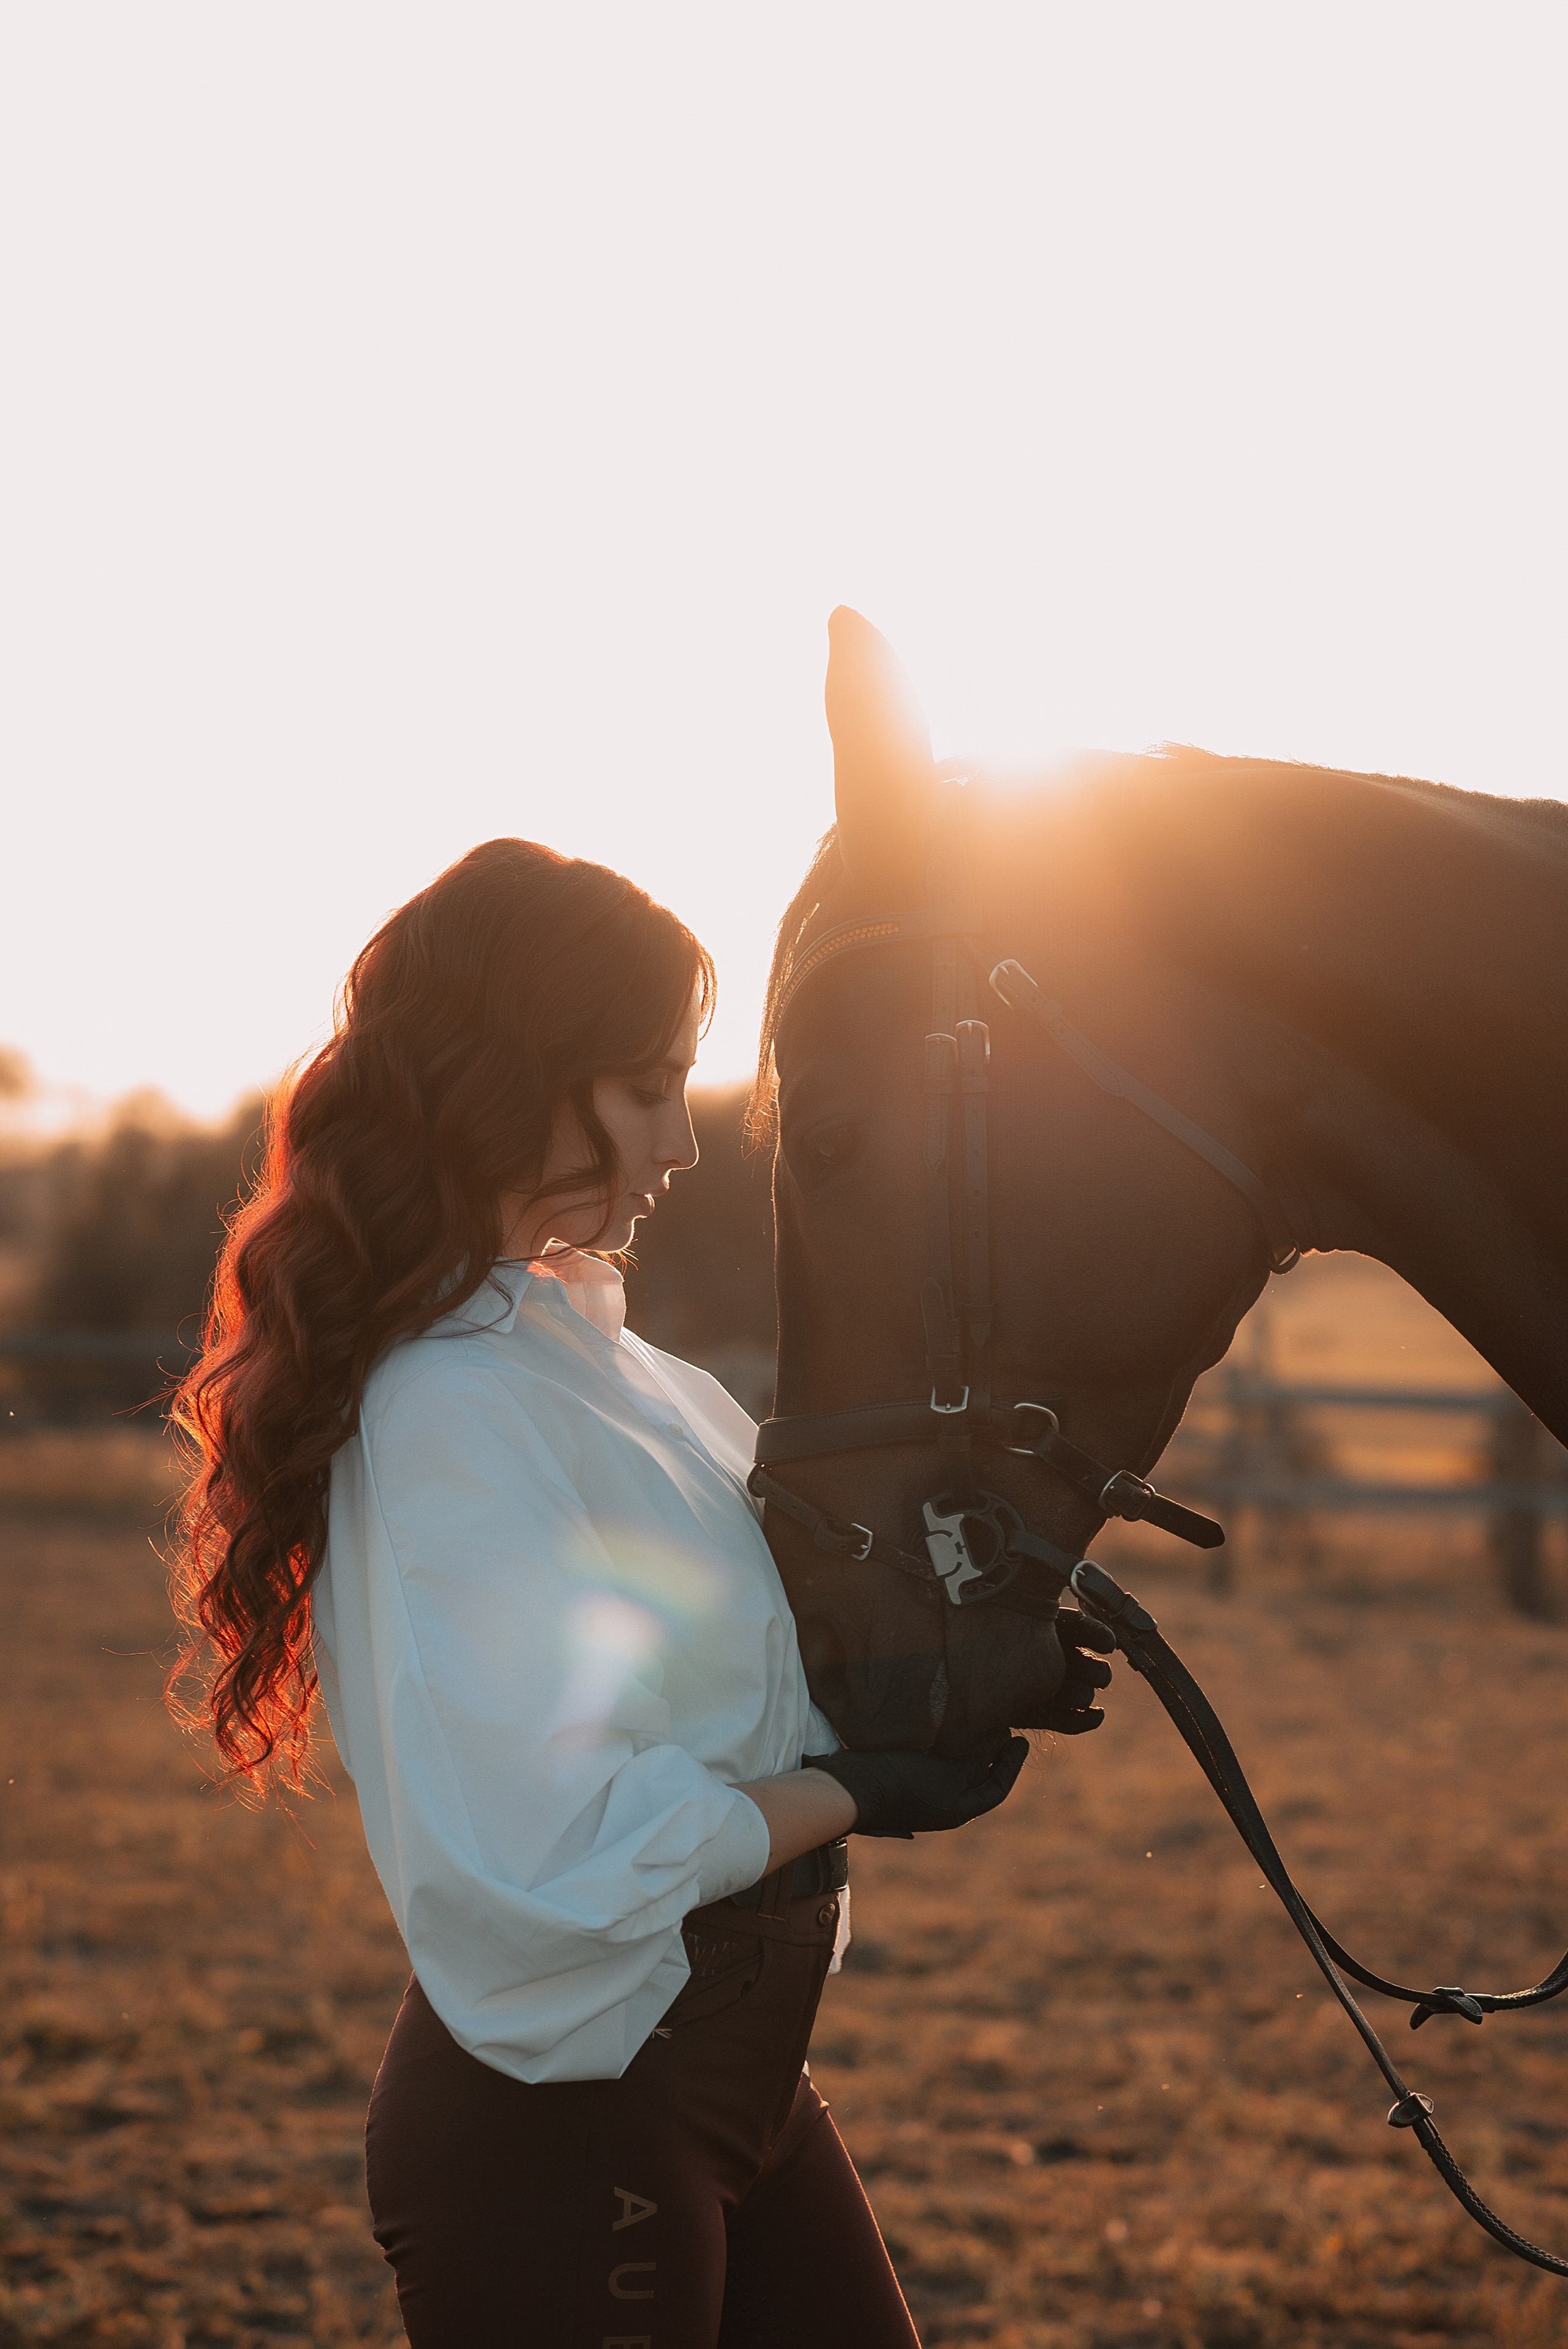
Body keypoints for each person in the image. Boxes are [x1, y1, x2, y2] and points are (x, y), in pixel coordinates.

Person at [168, 839, 1100, 2347]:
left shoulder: (606, 1363)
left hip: (729, 2081)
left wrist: (963, 1668)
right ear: (508, 1077)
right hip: (569, 2121)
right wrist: (862, 1784)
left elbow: (738, 1670)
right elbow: (559, 1845)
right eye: (646, 1085)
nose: (681, 1140)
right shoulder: (446, 1410)